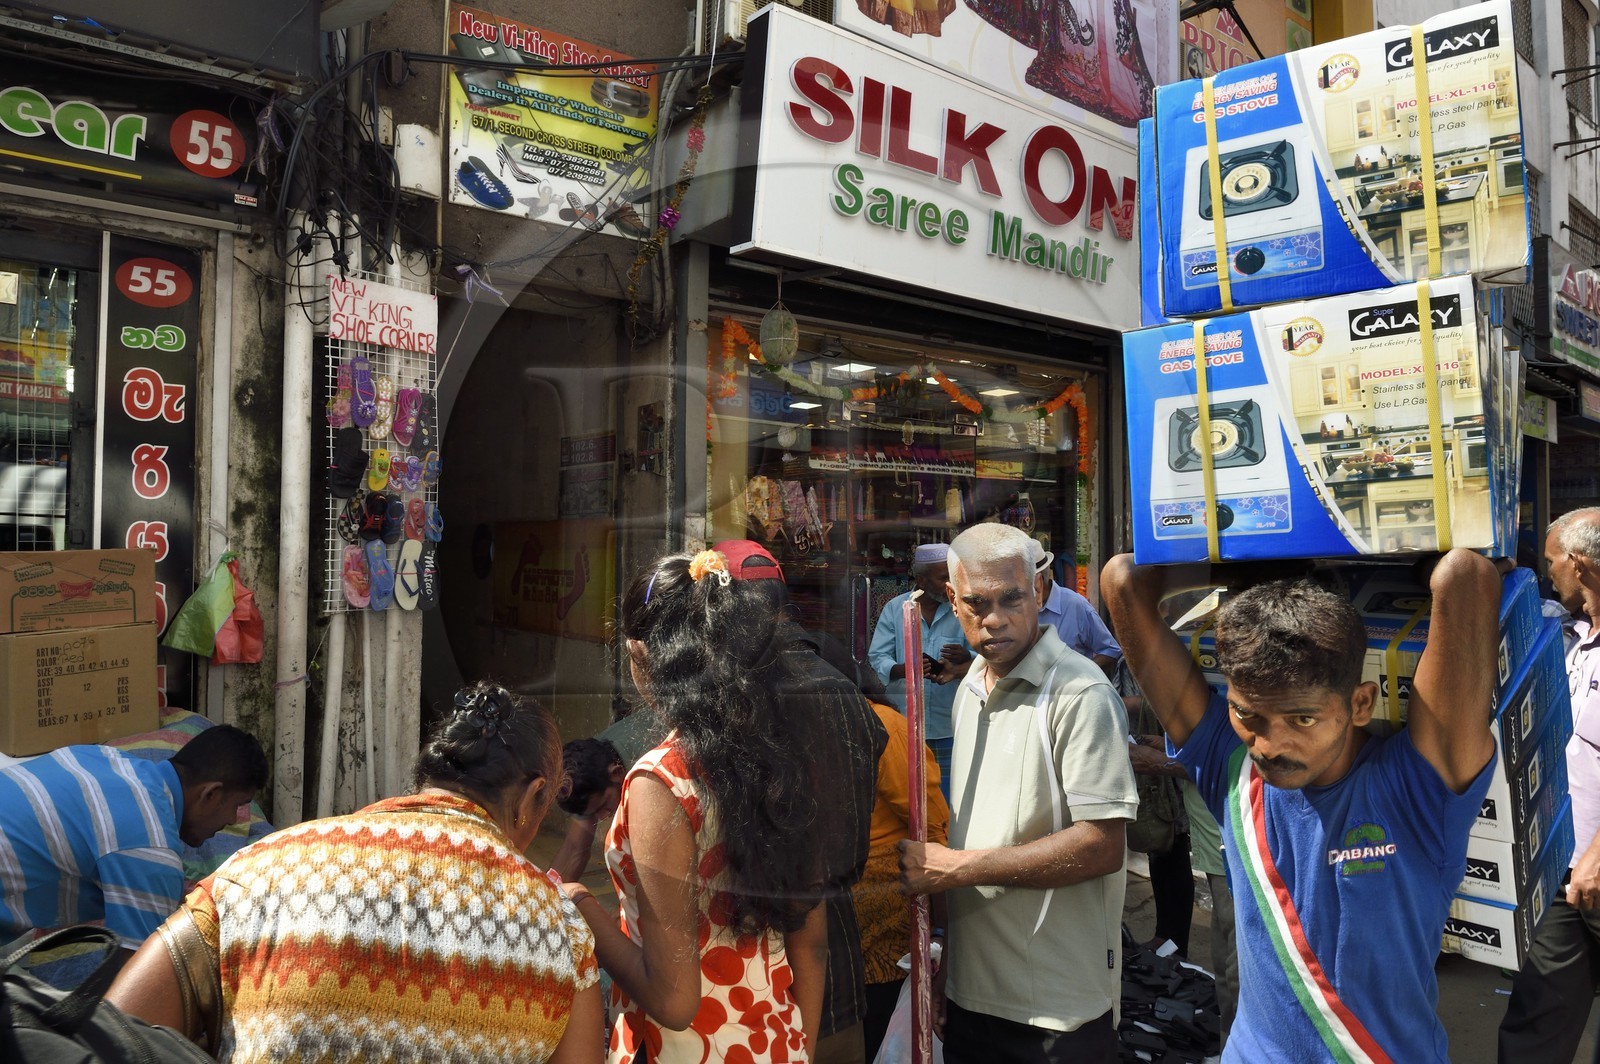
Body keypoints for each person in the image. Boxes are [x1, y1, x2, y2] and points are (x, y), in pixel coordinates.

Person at [1103, 549, 1500, 1063]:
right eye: (1249, 716)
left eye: (1303, 719)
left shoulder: (1419, 790)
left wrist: (1363, 567)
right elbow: (1124, 580)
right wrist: (1257, 573)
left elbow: (1464, 575)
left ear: (1360, 703)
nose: (1269, 745)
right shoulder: (1229, 764)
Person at [107, 681, 602, 1063]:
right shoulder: (560, 933)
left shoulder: (258, 875)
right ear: (536, 795)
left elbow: (114, 1036)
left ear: (429, 773)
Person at [562, 548, 841, 1063]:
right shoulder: (784, 757)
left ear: (641, 656)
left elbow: (673, 1001)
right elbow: (812, 944)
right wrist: (795, 1047)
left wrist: (581, 907)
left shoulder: (662, 781)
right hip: (776, 1040)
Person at [899, 522, 1137, 1064]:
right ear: (953, 603)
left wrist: (958, 868)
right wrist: (947, 966)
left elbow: (1102, 845)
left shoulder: (1080, 694)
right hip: (972, 996)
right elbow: (972, 830)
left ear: (1040, 593)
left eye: (1012, 599)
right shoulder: (968, 688)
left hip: (1056, 1008)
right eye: (977, 604)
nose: (995, 619)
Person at [0, 723, 266, 955]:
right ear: (210, 794)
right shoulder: (151, 846)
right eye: (238, 805)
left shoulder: (104, 756)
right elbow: (138, 986)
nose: (234, 819)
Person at [1501, 507, 1600, 1061]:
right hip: (1563, 873)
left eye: (1554, 562)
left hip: (1594, 862)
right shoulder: (1567, 636)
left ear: (1580, 564)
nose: (1550, 572)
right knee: (1537, 1020)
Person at [853, 696, 950, 1060]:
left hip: (885, 934)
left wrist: (944, 933)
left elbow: (933, 837)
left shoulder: (884, 727)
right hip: (827, 933)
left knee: (881, 1027)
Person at [869, 542, 974, 796]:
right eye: (943, 578)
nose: (950, 584)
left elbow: (986, 659)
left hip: (948, 726)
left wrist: (965, 656)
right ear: (922, 580)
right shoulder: (896, 608)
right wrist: (901, 669)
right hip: (905, 724)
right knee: (909, 797)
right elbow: (877, 656)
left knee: (949, 799)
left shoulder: (962, 610)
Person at [1030, 542, 1120, 676]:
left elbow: (1111, 650)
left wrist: (1079, 675)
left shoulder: (1075, 606)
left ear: (1039, 580)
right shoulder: (1019, 609)